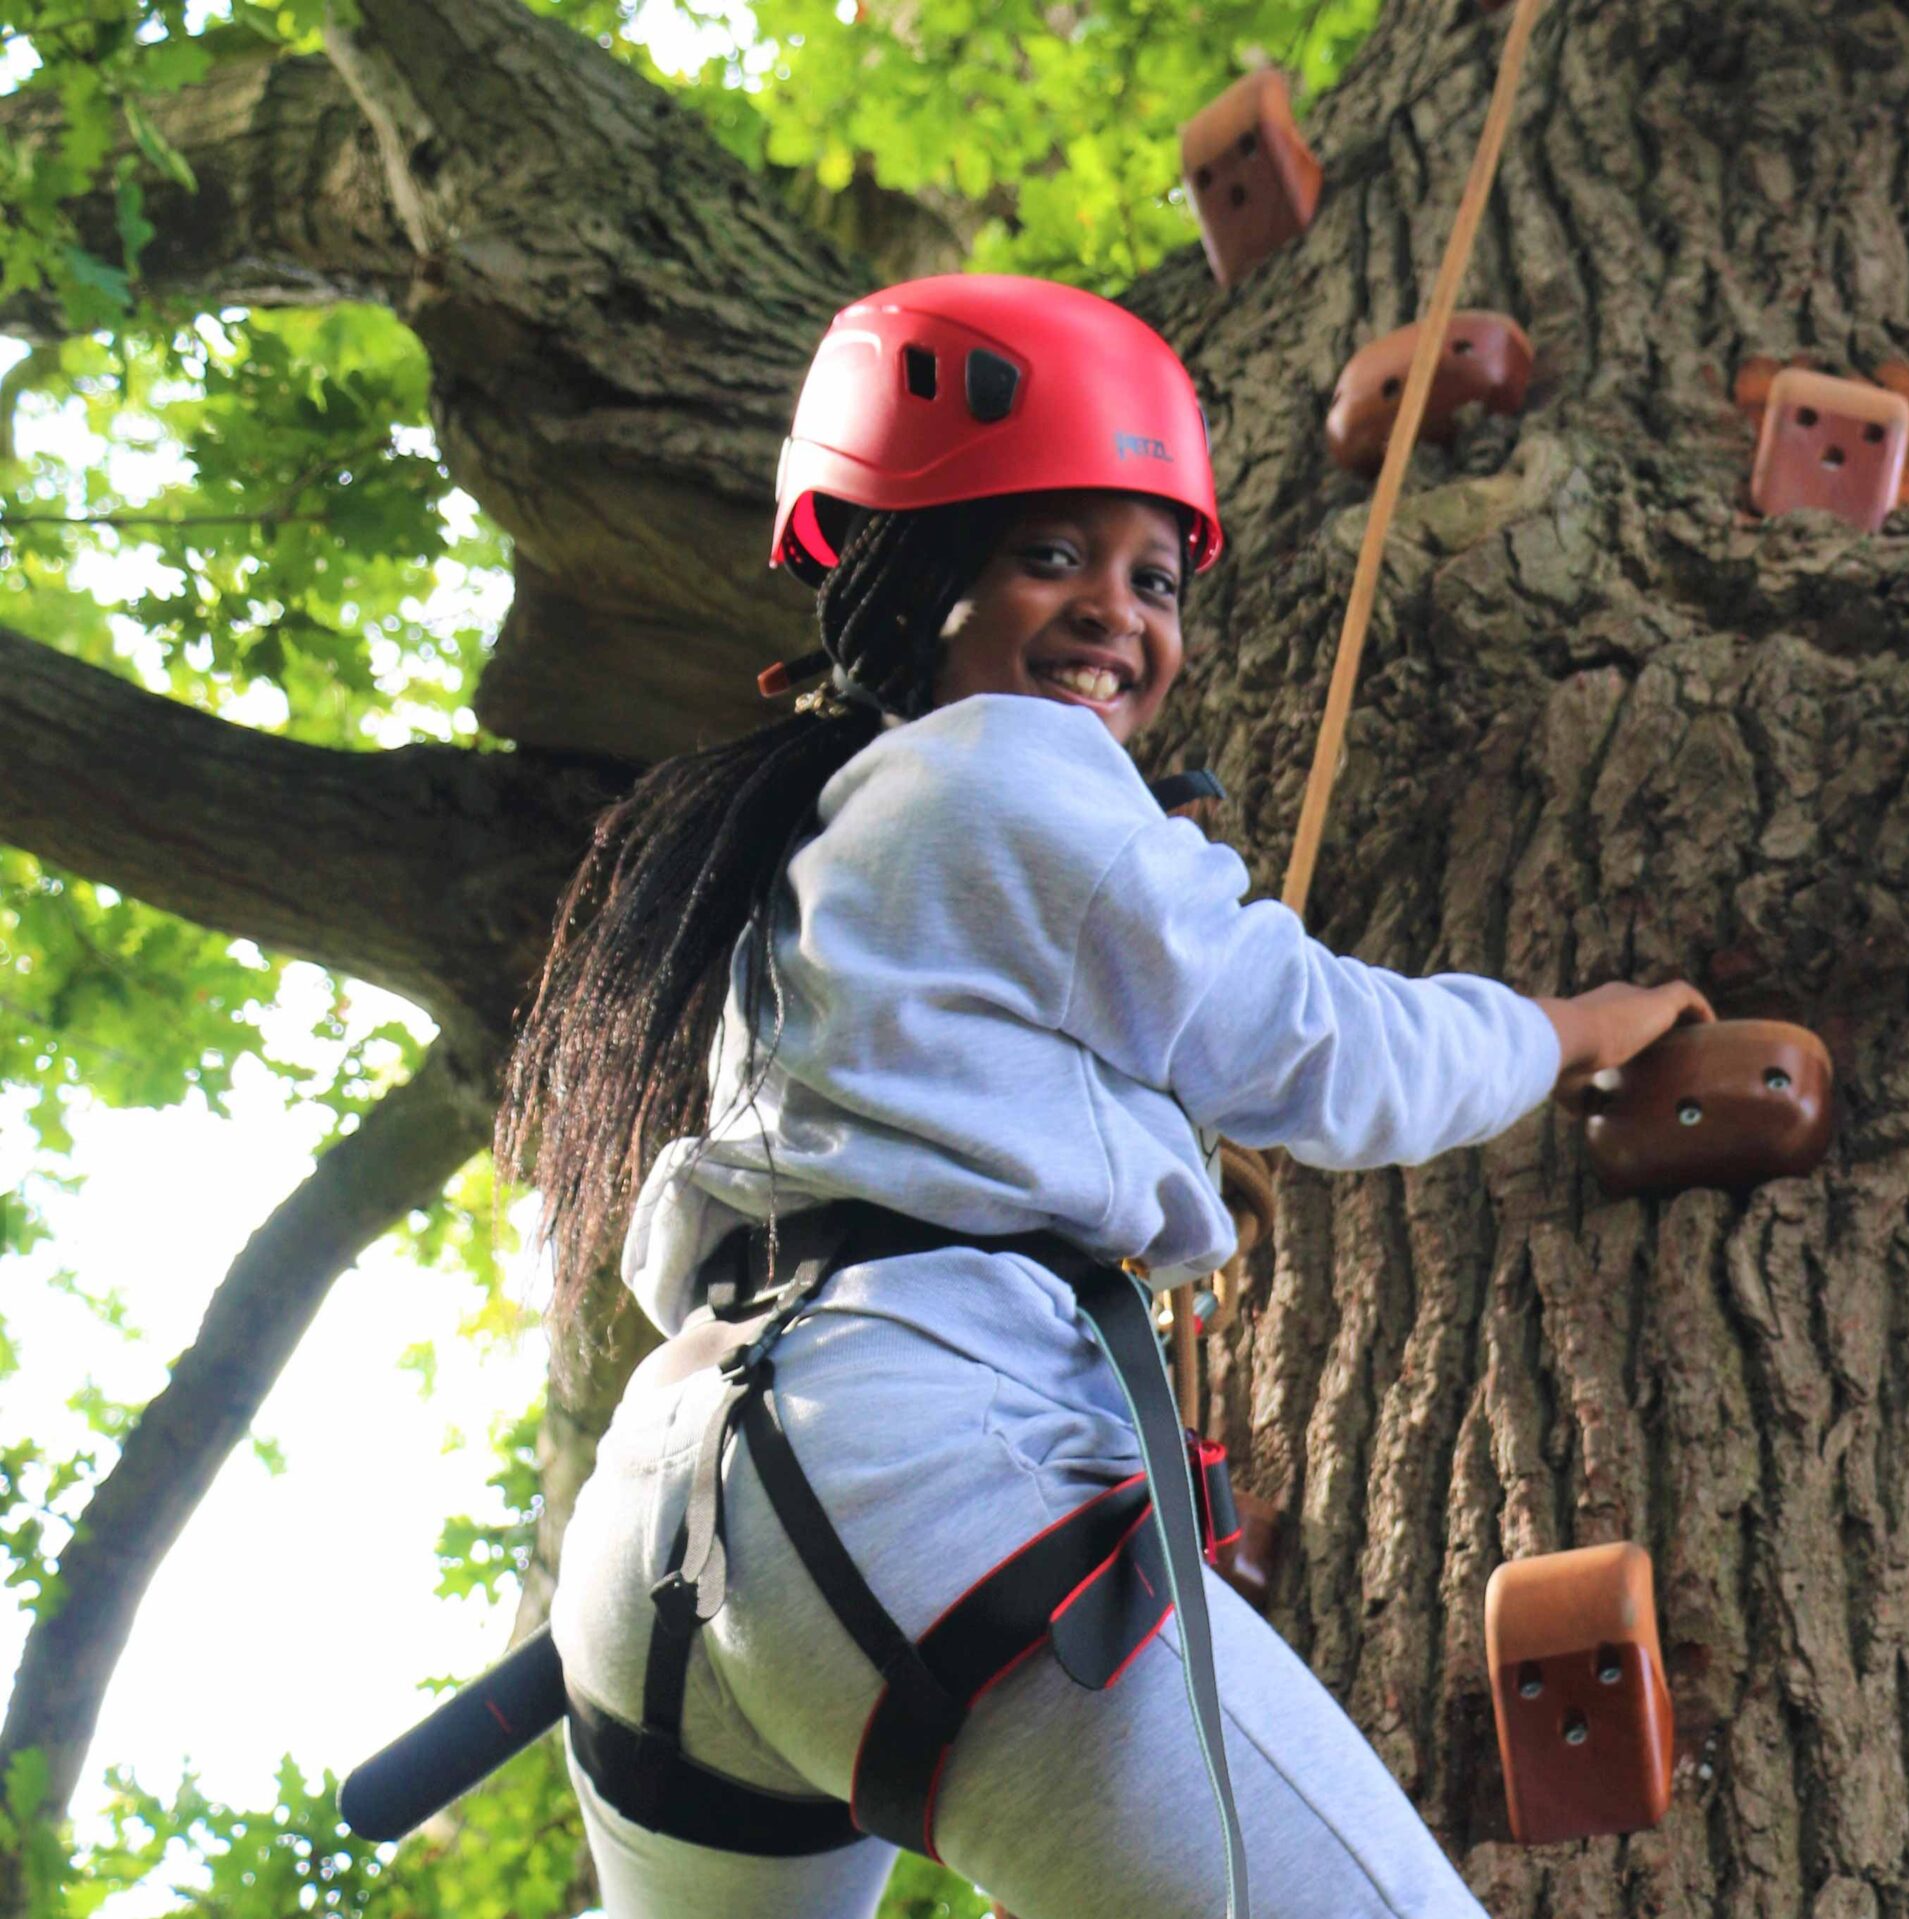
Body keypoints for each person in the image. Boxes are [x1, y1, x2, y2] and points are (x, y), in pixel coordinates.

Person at [503, 274, 1711, 1919]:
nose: (1114, 613)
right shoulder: (1005, 761)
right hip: (905, 1482)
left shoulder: (810, 846)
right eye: (1049, 555)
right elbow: (1324, 1053)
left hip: (663, 1544)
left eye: (1153, 578)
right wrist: (1576, 1027)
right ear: (914, 580)